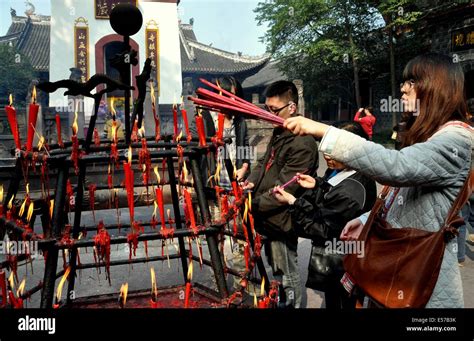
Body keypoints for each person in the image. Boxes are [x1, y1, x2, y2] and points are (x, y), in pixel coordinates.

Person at [283, 53, 472, 308]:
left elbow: (396, 167)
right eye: (405, 82)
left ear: (437, 88)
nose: (403, 89)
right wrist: (365, 220)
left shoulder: (456, 140)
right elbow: (403, 197)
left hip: (423, 279)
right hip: (399, 266)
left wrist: (325, 131)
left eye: (412, 82)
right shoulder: (430, 136)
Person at [273, 121, 376, 309]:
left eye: (334, 148)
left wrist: (293, 203)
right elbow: (329, 198)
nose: (326, 153)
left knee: (342, 302)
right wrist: (317, 184)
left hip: (343, 263)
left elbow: (322, 227)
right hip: (341, 261)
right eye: (326, 145)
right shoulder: (343, 171)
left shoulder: (352, 191)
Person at [243, 80, 319, 308]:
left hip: (282, 218)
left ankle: (293, 306)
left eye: (274, 110)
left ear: (292, 108)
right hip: (267, 216)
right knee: (275, 268)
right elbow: (262, 164)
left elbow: (284, 190)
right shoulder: (280, 131)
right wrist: (249, 183)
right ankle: (280, 303)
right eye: (267, 109)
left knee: (286, 271)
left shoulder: (303, 143)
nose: (269, 114)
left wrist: (250, 205)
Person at [191, 76, 251, 290]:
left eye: (232, 95)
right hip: (212, 188)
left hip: (234, 186)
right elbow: (192, 150)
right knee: (215, 236)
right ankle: (218, 282)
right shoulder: (204, 117)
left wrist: (244, 167)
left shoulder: (239, 119)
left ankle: (241, 282)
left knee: (238, 237)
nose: (230, 98)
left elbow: (244, 145)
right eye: (226, 94)